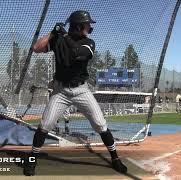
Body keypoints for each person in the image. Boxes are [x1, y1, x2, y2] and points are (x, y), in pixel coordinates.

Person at [23, 10, 127, 176]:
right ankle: (32, 159)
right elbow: (36, 48)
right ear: (78, 26)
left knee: (100, 124)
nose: (89, 28)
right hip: (61, 90)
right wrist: (52, 33)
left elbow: (76, 53)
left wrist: (64, 36)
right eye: (87, 26)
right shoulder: (59, 39)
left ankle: (115, 158)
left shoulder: (89, 43)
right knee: (45, 125)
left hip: (81, 90)